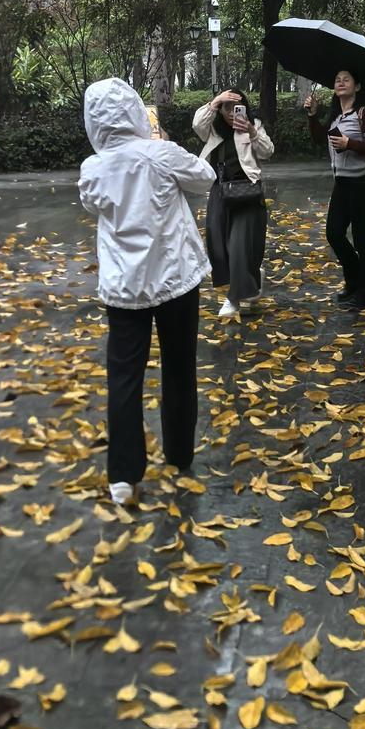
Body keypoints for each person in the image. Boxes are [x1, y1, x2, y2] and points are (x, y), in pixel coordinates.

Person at [78, 77, 216, 507]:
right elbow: (206, 177)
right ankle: (178, 454)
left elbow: (91, 204)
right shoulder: (161, 154)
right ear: (137, 111)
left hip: (123, 288)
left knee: (124, 376)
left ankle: (122, 476)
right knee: (179, 367)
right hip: (175, 278)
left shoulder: (93, 168)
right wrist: (157, 140)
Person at [304, 70, 365, 314]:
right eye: (337, 78)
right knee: (334, 234)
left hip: (363, 184)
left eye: (346, 79)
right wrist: (312, 115)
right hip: (342, 184)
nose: (340, 81)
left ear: (357, 86)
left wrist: (350, 144)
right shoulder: (338, 116)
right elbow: (320, 138)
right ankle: (353, 283)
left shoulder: (364, 114)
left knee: (362, 240)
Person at [192, 89, 275, 318]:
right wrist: (216, 101)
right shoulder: (213, 128)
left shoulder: (253, 124)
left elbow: (268, 151)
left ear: (244, 108)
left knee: (238, 246)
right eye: (226, 107)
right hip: (220, 190)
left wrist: (251, 131)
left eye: (235, 107)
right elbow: (197, 125)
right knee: (218, 246)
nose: (231, 112)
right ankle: (252, 280)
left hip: (247, 191)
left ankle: (233, 299)